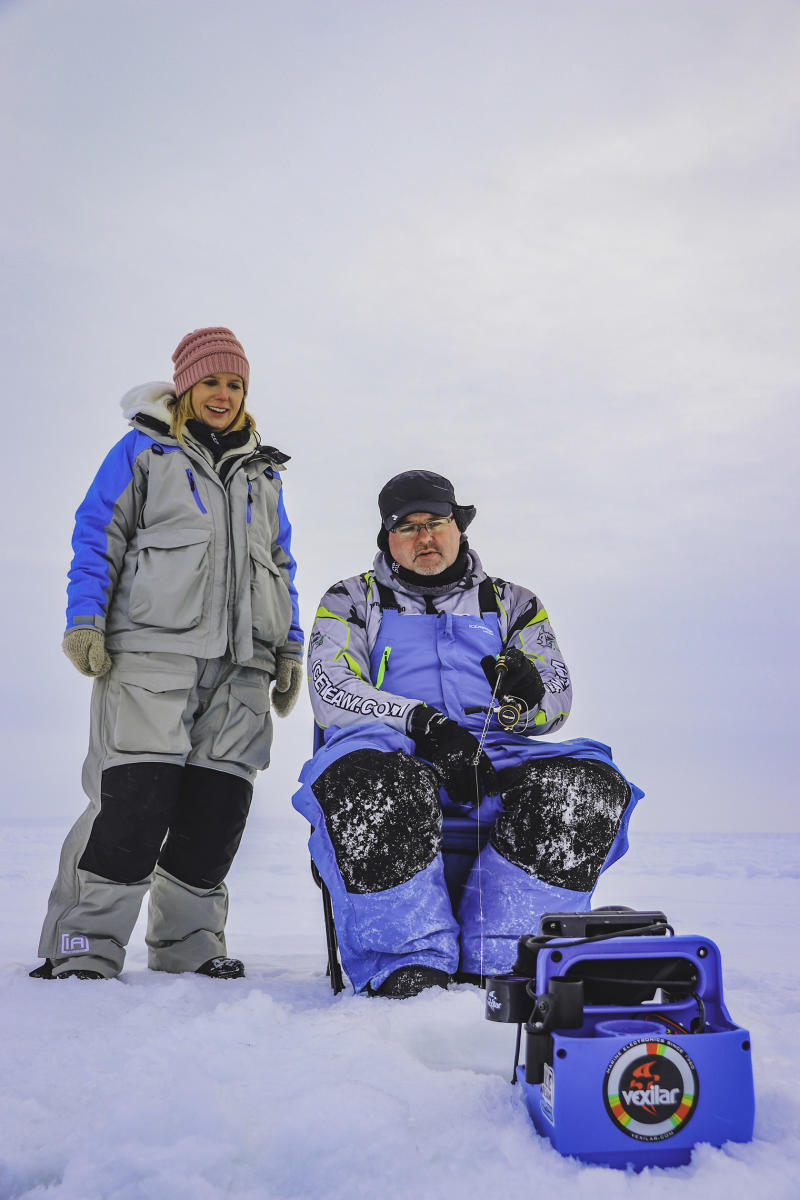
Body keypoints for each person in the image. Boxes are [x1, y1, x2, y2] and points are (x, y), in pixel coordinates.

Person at [292, 469, 641, 998]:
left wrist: (523, 705)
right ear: (387, 538)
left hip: (493, 753)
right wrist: (424, 724)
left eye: (436, 522)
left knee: (586, 786)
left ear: (459, 526)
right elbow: (329, 687)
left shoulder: (514, 603)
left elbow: (557, 698)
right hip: (392, 748)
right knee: (371, 782)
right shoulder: (348, 600)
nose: (424, 538)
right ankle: (406, 966)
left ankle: (505, 961)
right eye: (406, 527)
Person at [31, 327, 303, 981]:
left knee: (216, 810)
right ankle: (84, 945)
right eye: (211, 380)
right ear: (185, 384)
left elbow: (281, 562)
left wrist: (288, 648)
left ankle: (188, 945)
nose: (223, 393)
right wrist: (85, 620)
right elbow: (99, 531)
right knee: (134, 799)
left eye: (235, 383)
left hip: (243, 669)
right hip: (153, 658)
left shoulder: (262, 474)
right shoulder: (143, 452)